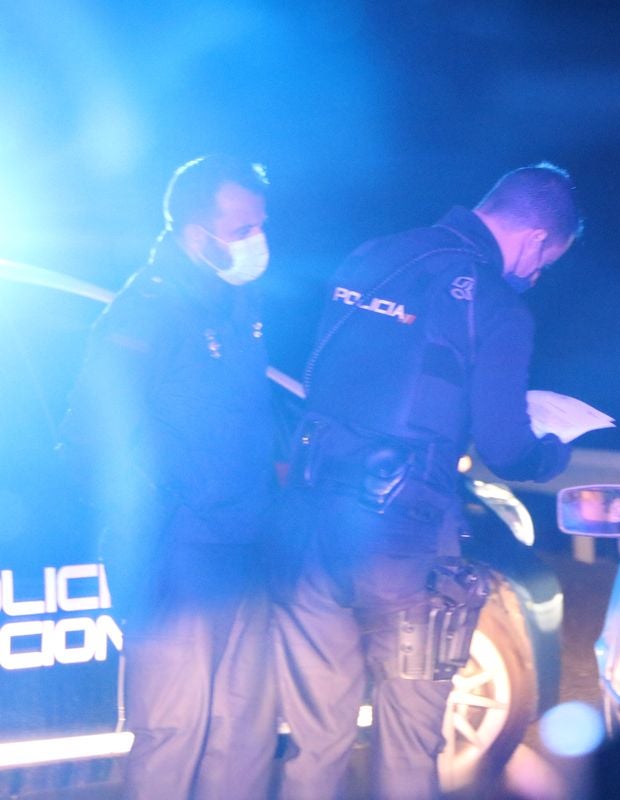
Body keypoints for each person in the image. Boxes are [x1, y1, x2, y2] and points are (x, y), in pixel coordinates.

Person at [274, 162, 581, 799]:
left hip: (310, 521)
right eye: (547, 261)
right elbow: (505, 445)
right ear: (536, 240)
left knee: (315, 737)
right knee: (409, 739)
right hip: (404, 539)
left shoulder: (373, 256)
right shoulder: (494, 305)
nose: (537, 275)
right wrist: (550, 455)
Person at [58, 155, 279, 800]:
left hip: (245, 548)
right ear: (194, 233)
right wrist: (165, 509)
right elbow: (89, 437)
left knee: (243, 733)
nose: (257, 241)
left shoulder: (238, 302)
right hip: (177, 556)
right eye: (243, 228)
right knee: (173, 735)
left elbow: (246, 415)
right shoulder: (144, 311)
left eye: (260, 226)